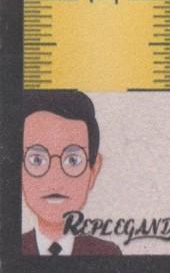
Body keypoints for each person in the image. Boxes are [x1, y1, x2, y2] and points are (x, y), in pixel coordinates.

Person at [22, 91, 121, 256]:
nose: (55, 178)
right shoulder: (9, 251)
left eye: (73, 160)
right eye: (37, 160)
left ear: (93, 170)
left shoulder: (108, 253)